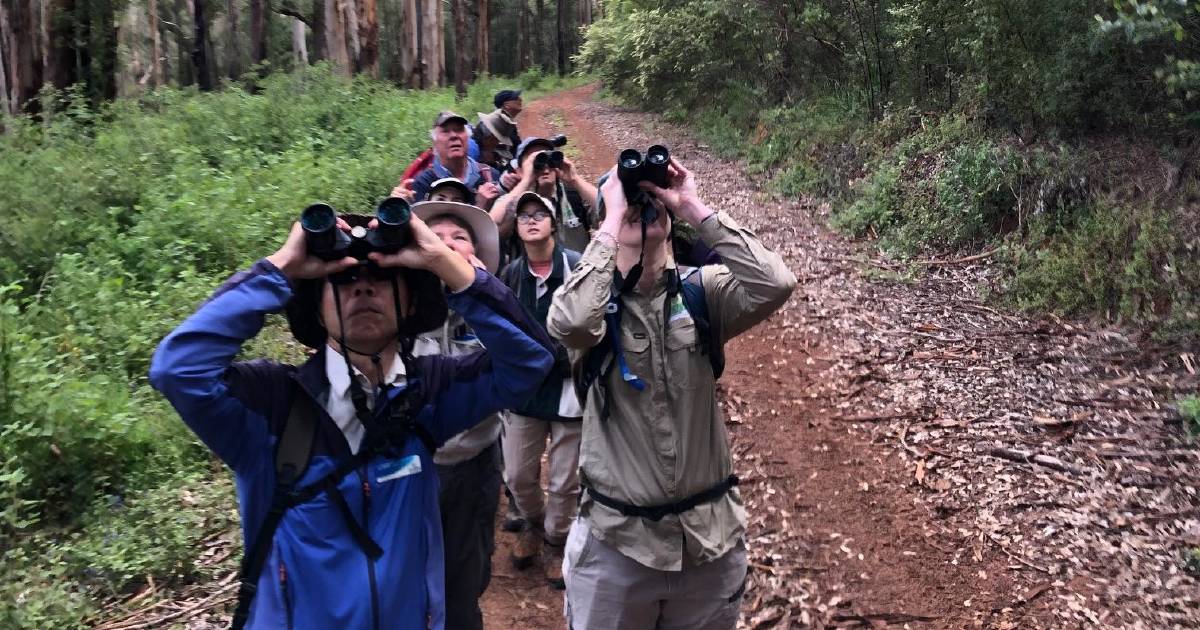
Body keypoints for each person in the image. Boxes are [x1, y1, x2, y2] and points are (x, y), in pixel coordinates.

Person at [149, 211, 554, 630]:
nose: (362, 286)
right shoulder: (271, 407)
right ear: (316, 309)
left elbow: (530, 362)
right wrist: (280, 269)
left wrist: (441, 261)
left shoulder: (425, 394)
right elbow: (177, 370)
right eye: (341, 280)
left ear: (410, 301)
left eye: (381, 278)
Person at [547, 158, 797, 630]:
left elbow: (775, 283)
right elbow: (571, 322)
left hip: (707, 545)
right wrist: (610, 223)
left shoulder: (703, 291)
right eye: (627, 202)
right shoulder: (592, 304)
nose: (643, 208)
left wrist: (692, 207)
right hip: (617, 545)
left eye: (649, 200)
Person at [408, 199, 504, 630]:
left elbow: (531, 361)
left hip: (474, 463)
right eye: (436, 238)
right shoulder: (396, 310)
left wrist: (482, 295)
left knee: (466, 579)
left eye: (458, 238)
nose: (445, 246)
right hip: (409, 470)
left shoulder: (492, 311)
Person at [496, 192, 584, 590]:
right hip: (526, 392)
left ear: (553, 222)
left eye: (540, 214)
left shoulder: (577, 268)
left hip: (570, 390)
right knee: (517, 474)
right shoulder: (511, 275)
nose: (531, 220)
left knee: (567, 479)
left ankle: (555, 539)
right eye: (524, 216)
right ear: (516, 228)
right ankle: (533, 521)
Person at [491, 137, 599, 255]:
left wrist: (575, 180)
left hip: (575, 271)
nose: (545, 166)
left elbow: (611, 210)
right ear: (521, 170)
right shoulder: (513, 202)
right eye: (537, 161)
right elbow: (491, 226)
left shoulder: (573, 195)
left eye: (549, 158)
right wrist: (526, 180)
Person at [410, 111, 503, 208]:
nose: (454, 136)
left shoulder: (490, 176)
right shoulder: (424, 183)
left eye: (459, 130)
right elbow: (423, 222)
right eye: (445, 131)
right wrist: (480, 205)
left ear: (468, 138)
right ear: (434, 143)